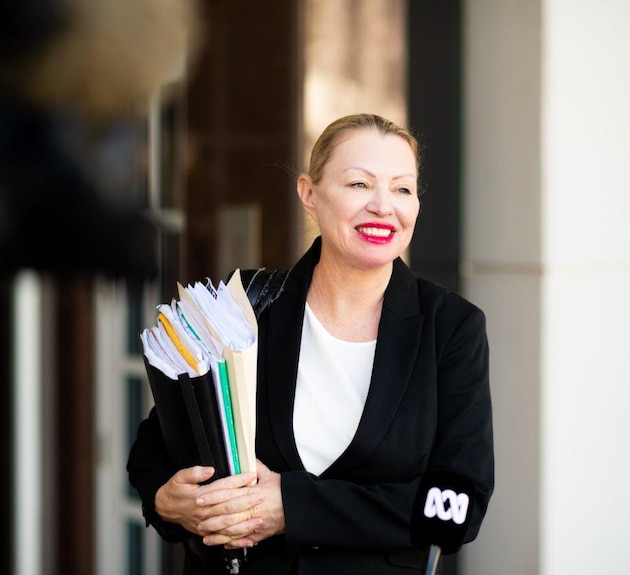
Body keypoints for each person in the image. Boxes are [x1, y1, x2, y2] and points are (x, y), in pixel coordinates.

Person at [127, 113, 494, 574]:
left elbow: (458, 508)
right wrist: (166, 499)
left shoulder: (452, 328)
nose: (384, 206)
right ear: (308, 194)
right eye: (359, 184)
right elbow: (158, 442)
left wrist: (292, 507)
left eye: (402, 188)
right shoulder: (249, 307)